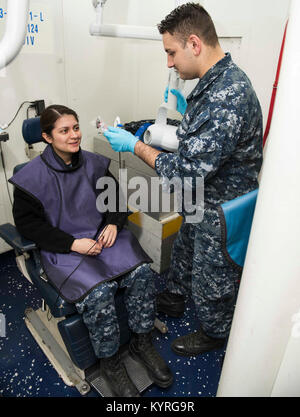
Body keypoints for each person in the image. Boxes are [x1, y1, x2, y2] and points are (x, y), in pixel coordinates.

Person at [103, 3, 263, 356]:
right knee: (185, 250)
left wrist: (136, 147)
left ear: (194, 43)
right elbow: (205, 140)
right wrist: (185, 112)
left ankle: (214, 331)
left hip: (221, 207)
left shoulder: (227, 97)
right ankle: (175, 297)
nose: (169, 63)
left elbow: (187, 174)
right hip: (202, 198)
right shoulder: (214, 84)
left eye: (171, 53)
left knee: (213, 277)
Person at [10, 104, 173, 397]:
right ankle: (110, 363)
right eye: (64, 131)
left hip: (102, 238)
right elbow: (28, 226)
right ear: (47, 137)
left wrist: (113, 223)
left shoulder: (95, 164)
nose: (74, 135)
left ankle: (141, 340)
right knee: (99, 292)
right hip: (65, 247)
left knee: (141, 272)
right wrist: (72, 243)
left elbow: (116, 203)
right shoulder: (30, 178)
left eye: (75, 128)